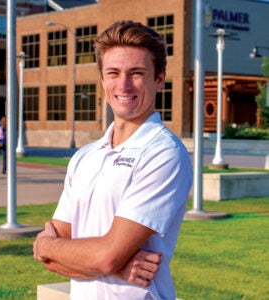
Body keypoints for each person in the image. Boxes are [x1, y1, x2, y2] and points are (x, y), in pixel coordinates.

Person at [33, 20, 193, 299]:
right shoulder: (85, 157)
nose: (124, 85)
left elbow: (104, 255)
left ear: (159, 78)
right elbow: (56, 262)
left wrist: (46, 246)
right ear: (103, 79)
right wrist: (116, 266)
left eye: (137, 73)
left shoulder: (163, 153)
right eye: (113, 72)